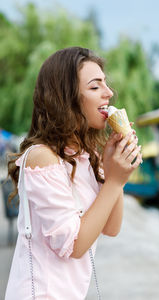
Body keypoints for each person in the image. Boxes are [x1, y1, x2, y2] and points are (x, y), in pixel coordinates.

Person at [5, 47, 142, 300]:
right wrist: (113, 181)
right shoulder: (42, 157)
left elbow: (111, 228)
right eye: (95, 86)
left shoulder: (87, 157)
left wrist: (115, 173)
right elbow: (74, 246)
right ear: (66, 98)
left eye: (106, 84)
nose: (109, 93)